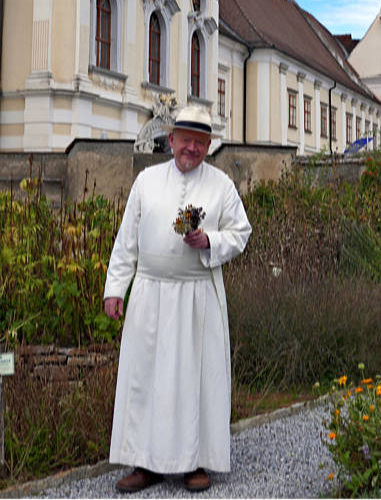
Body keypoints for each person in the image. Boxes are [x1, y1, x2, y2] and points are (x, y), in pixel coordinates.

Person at [103, 105, 251, 493]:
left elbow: (241, 233)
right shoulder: (146, 181)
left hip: (197, 297)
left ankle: (195, 462)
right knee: (145, 379)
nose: (192, 148)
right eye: (185, 140)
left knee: (195, 381)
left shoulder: (221, 186)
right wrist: (116, 288)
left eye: (200, 142)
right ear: (171, 141)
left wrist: (210, 241)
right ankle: (145, 463)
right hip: (150, 295)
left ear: (208, 146)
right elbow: (126, 241)